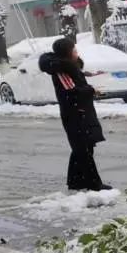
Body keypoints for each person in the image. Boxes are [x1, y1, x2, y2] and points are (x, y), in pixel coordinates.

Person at [39, 37, 111, 192]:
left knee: (84, 147)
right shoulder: (61, 69)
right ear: (67, 52)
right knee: (83, 149)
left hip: (83, 111)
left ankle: (75, 182)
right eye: (74, 50)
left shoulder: (72, 67)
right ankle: (94, 184)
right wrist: (91, 90)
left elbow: (78, 84)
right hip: (74, 114)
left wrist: (88, 81)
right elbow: (71, 91)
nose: (77, 52)